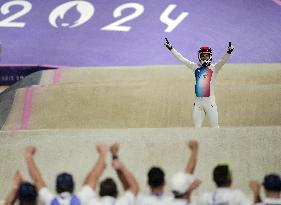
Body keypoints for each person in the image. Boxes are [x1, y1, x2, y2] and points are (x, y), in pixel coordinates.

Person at [164, 38, 234, 128]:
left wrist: (228, 52)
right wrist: (171, 48)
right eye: (203, 56)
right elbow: (182, 59)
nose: (205, 58)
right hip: (198, 104)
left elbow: (223, 61)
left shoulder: (215, 68)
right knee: (197, 129)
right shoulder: (195, 67)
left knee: (215, 128)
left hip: (211, 103)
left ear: (210, 57)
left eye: (206, 56)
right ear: (199, 57)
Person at [24, 144, 106, 205]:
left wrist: (29, 156)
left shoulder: (51, 201)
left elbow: (37, 179)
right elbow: (93, 176)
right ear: (73, 186)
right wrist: (102, 154)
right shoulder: (80, 199)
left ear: (56, 187)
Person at [167, 140, 201, 205]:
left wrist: (194, 151)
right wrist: (195, 150)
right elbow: (188, 173)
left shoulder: (167, 201)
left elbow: (188, 173)